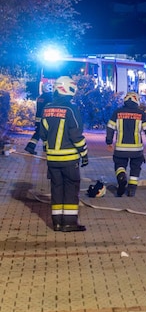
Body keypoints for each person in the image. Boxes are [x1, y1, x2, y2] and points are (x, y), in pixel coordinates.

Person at [39, 76, 89, 232]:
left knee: (56, 188)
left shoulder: (47, 108)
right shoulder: (71, 109)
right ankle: (69, 223)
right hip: (69, 159)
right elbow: (76, 134)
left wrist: (48, 149)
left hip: (52, 159)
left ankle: (57, 223)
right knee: (70, 189)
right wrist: (84, 153)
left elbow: (43, 133)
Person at [106, 92, 146, 197]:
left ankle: (121, 177)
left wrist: (109, 142)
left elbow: (110, 127)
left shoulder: (117, 112)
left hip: (120, 148)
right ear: (136, 101)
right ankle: (131, 190)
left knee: (119, 165)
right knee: (135, 168)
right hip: (136, 149)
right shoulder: (142, 114)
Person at [24, 81, 54, 155]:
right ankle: (30, 147)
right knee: (43, 133)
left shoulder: (40, 97)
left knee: (42, 133)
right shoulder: (49, 98)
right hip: (45, 118)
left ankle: (44, 147)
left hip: (38, 118)